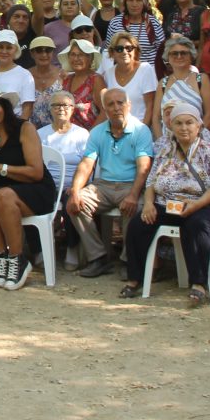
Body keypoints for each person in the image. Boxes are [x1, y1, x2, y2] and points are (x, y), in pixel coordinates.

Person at [119, 98, 210, 306]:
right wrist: (149, 204)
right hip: (166, 203)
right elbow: (151, 181)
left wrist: (195, 206)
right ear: (171, 125)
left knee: (197, 225)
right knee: (138, 224)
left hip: (200, 204)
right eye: (179, 123)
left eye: (189, 122)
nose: (184, 127)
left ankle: (198, 284)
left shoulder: (208, 151)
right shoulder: (165, 148)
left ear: (199, 126)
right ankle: (135, 279)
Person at [0, 86, 56, 291]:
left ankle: (18, 259)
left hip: (36, 190)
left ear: (5, 107)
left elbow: (35, 172)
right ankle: (2, 256)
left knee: (4, 196)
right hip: (5, 191)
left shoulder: (25, 128)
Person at [68, 88, 155, 278]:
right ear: (105, 109)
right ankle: (98, 257)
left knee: (138, 207)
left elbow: (144, 167)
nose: (116, 108)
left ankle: (127, 259)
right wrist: (75, 191)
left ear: (129, 105)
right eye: (110, 104)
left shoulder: (141, 131)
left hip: (131, 185)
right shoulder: (98, 131)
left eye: (120, 103)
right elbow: (86, 164)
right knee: (76, 204)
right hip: (104, 185)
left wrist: (133, 195)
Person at [151, 37, 210, 137]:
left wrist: (194, 139)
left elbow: (209, 115)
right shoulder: (163, 83)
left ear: (191, 55)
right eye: (174, 53)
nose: (179, 56)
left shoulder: (201, 80)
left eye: (183, 53)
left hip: (196, 140)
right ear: (168, 57)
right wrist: (161, 142)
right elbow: (155, 117)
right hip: (167, 142)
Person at [101, 30, 159, 126]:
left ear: (135, 50)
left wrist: (142, 131)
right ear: (112, 53)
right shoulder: (108, 74)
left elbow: (150, 105)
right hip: (117, 129)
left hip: (140, 128)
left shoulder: (145, 69)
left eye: (129, 48)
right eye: (119, 49)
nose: (124, 52)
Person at [101, 0, 166, 69]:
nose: (134, 4)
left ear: (144, 3)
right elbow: (108, 50)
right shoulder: (115, 23)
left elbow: (162, 51)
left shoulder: (153, 23)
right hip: (122, 71)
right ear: (125, 2)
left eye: (138, 0)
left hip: (149, 71)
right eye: (130, 0)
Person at [37, 92, 90, 194]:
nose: (61, 109)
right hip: (45, 188)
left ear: (72, 109)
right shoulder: (39, 134)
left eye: (65, 105)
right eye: (56, 105)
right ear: (50, 109)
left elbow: (88, 166)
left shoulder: (82, 134)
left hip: (73, 189)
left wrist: (76, 188)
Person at [0, 30, 34, 120]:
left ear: (15, 50)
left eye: (9, 48)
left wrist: (19, 128)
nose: (4, 51)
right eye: (0, 47)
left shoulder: (24, 75)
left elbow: (28, 108)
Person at [58, 39, 104, 130]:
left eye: (81, 55)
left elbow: (105, 111)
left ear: (90, 58)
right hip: (67, 136)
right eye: (73, 54)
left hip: (89, 137)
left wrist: (91, 135)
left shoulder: (95, 80)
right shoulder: (67, 80)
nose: (76, 59)